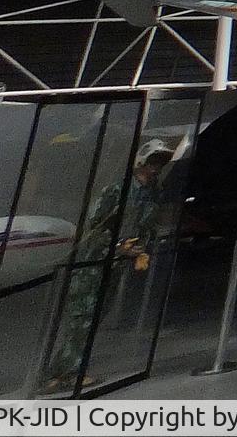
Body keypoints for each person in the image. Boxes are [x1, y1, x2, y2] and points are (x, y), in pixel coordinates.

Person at [43, 144, 174, 395]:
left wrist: (140, 248)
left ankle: (61, 372)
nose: (156, 168)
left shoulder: (151, 193)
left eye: (160, 162)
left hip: (116, 264)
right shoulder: (117, 190)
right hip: (93, 262)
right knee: (82, 317)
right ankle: (64, 373)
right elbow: (94, 227)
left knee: (94, 317)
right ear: (141, 162)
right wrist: (117, 246)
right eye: (152, 161)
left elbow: (147, 224)